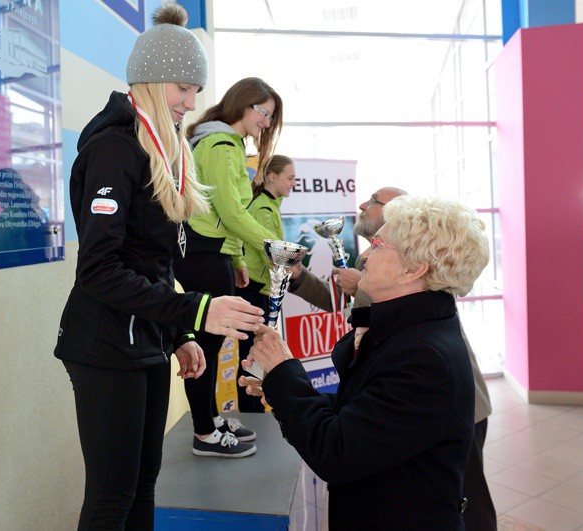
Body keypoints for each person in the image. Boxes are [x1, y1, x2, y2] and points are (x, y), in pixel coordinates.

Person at [53, 7, 265, 529]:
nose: (191, 104)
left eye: (196, 91)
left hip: (143, 340)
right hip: (103, 345)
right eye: (183, 89)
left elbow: (151, 264)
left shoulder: (160, 150)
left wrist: (176, 335)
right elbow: (99, 271)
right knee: (112, 495)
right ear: (147, 81)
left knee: (145, 481)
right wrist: (198, 310)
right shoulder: (112, 150)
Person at [240, 195, 489, 530]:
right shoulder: (411, 330)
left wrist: (285, 373)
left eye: (378, 245)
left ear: (414, 269)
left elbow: (336, 450)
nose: (365, 255)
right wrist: (281, 390)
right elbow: (368, 418)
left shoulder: (423, 357)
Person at [173, 77, 284, 456]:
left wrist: (237, 258)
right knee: (206, 343)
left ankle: (211, 418)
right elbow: (232, 212)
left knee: (212, 342)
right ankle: (204, 433)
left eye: (271, 116)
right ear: (243, 105)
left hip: (214, 251)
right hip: (201, 251)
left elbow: (228, 213)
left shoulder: (228, 144)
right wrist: (272, 248)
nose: (266, 122)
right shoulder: (220, 145)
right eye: (264, 112)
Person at [236, 154, 296, 413]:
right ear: (272, 177)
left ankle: (255, 407)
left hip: (260, 287)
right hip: (255, 288)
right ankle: (252, 410)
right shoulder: (262, 206)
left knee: (256, 348)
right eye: (290, 178)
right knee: (253, 351)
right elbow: (270, 251)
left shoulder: (270, 204)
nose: (293, 183)